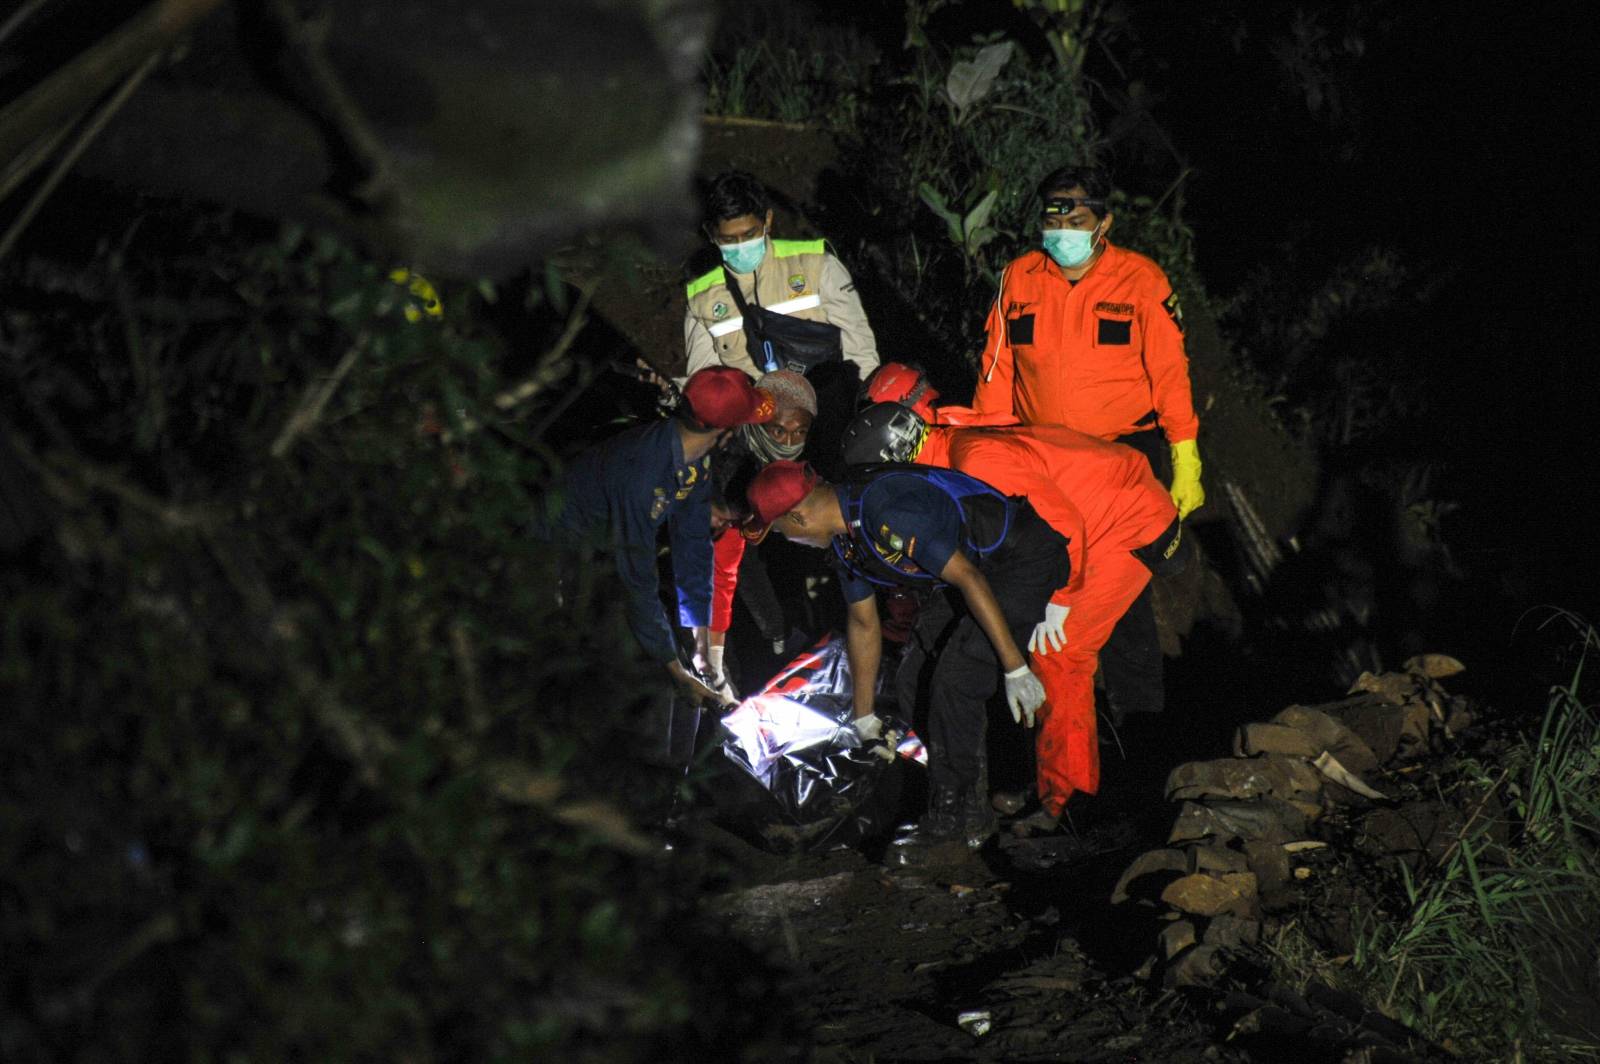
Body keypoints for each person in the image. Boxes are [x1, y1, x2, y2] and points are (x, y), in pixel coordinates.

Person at [841, 403, 1185, 832]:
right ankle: (1047, 778)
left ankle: (1068, 803)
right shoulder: (949, 447)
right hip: (1101, 508)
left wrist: (1062, 595)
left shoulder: (975, 461)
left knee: (1060, 655)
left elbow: (1063, 521)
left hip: (1124, 522)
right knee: (1023, 646)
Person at [969, 166, 1203, 727]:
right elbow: (996, 371)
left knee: (1119, 587)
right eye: (1054, 220)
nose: (1062, 232)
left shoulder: (1141, 281)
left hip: (1125, 453)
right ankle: (1051, 720)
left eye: (1076, 220)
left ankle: (1138, 717)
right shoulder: (1019, 279)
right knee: (1044, 574)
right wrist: (986, 446)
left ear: (1104, 223)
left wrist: (1185, 454)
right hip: (1045, 455)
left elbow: (1170, 372)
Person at [740, 460, 1063, 863]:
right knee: (914, 676)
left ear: (799, 516)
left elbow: (971, 580)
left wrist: (1015, 668)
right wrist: (864, 718)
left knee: (956, 676)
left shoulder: (886, 511)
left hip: (1017, 558)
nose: (789, 541)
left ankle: (954, 821)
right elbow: (863, 622)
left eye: (783, 533)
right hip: (968, 573)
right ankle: (966, 804)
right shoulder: (847, 539)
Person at [531, 367, 777, 766]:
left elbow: (693, 544)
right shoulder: (643, 474)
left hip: (599, 550)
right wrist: (674, 668)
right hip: (552, 549)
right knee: (586, 661)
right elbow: (637, 579)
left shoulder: (693, 458)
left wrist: (702, 648)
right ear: (727, 430)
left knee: (671, 661)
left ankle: (667, 784)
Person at [680, 170, 880, 385]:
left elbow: (860, 350)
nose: (741, 246)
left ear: (767, 219)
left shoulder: (816, 265)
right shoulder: (702, 299)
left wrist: (865, 403)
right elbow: (704, 384)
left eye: (749, 234)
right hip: (759, 413)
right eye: (728, 239)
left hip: (831, 400)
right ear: (711, 233)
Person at [705, 369, 818, 696]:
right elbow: (723, 574)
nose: (788, 443)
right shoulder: (730, 466)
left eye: (800, 433)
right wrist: (713, 661)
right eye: (778, 431)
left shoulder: (786, 464)